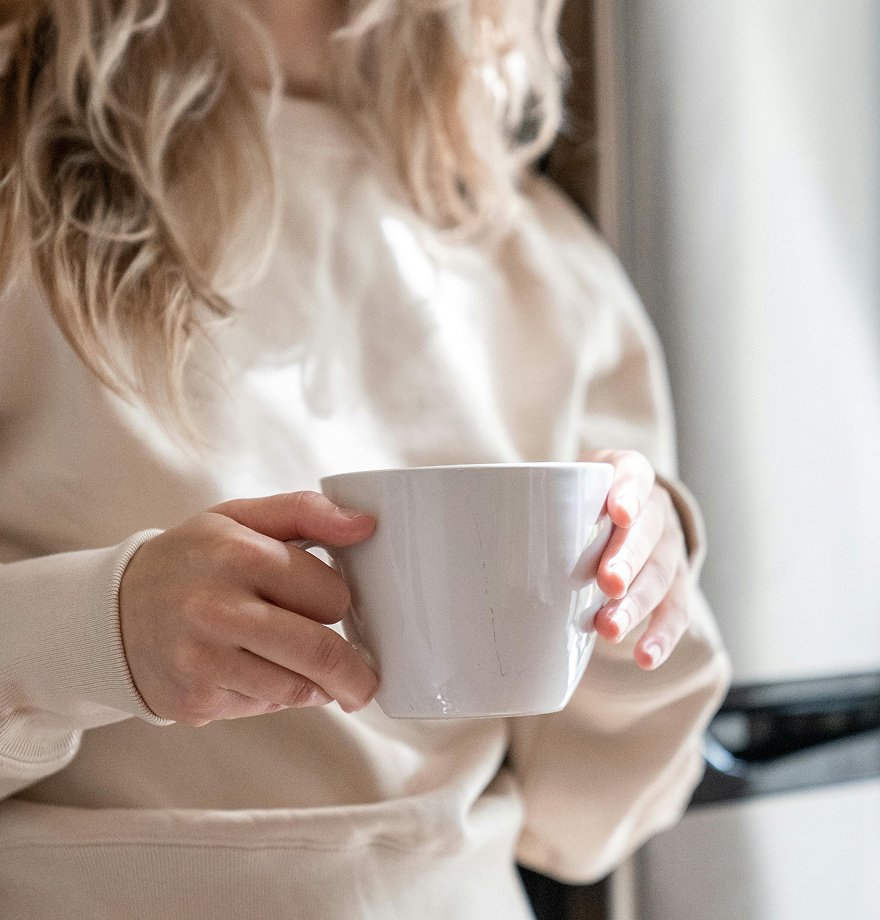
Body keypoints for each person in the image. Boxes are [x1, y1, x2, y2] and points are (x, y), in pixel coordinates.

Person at [0, 1, 730, 917]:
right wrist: (99, 633)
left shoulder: (536, 255)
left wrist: (638, 597)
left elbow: (592, 817)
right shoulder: (19, 191)